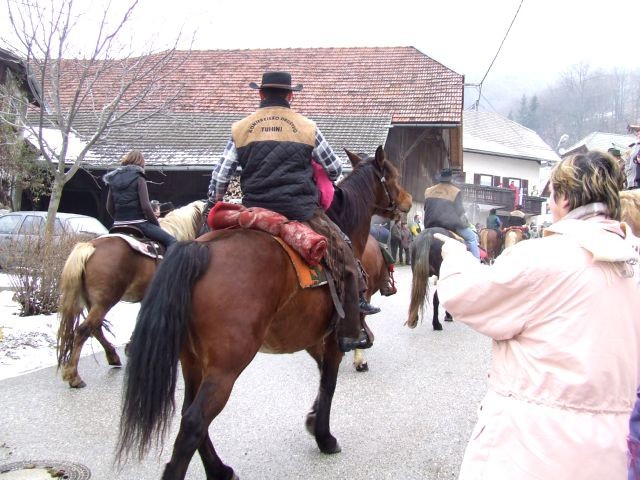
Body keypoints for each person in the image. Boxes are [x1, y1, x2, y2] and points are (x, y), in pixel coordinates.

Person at [433, 150, 640, 480]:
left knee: (471, 240)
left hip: (532, 450)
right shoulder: (635, 262)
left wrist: (455, 255)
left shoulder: (541, 256)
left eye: (553, 196)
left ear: (566, 198)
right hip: (614, 451)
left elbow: (466, 295)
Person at [205, 71, 378, 353]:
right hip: (301, 210)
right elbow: (334, 169)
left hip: (255, 211)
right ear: (290, 96)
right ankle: (350, 332)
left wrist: (214, 202)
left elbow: (220, 176)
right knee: (345, 258)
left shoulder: (241, 128)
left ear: (260, 94)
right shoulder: (307, 127)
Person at [103, 150, 176, 249]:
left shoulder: (113, 178)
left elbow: (109, 207)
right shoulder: (139, 177)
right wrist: (155, 224)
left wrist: (119, 220)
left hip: (117, 225)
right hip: (139, 224)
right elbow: (146, 206)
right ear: (141, 162)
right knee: (172, 241)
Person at [423, 168, 480, 259]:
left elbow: (426, 208)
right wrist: (466, 224)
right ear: (450, 179)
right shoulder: (455, 191)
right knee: (472, 238)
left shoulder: (428, 190)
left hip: (429, 224)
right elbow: (460, 212)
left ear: (440, 178)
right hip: (448, 225)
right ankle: (476, 263)